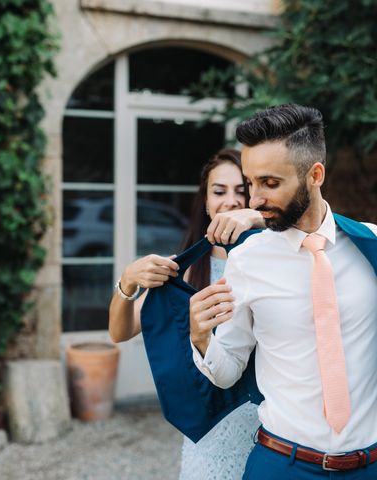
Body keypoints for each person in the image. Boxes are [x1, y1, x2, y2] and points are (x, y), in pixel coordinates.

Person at [189, 104, 377, 479]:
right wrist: (200, 336)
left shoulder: (372, 244)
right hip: (280, 466)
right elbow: (228, 369)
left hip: (369, 468)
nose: (254, 200)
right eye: (251, 183)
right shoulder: (246, 261)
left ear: (315, 175)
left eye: (270, 183)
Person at [108, 148, 265, 480]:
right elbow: (120, 332)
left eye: (242, 191)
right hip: (208, 437)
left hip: (271, 431)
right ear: (206, 202)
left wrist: (263, 222)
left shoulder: (279, 261)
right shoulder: (187, 269)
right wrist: (127, 281)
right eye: (219, 192)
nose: (231, 201)